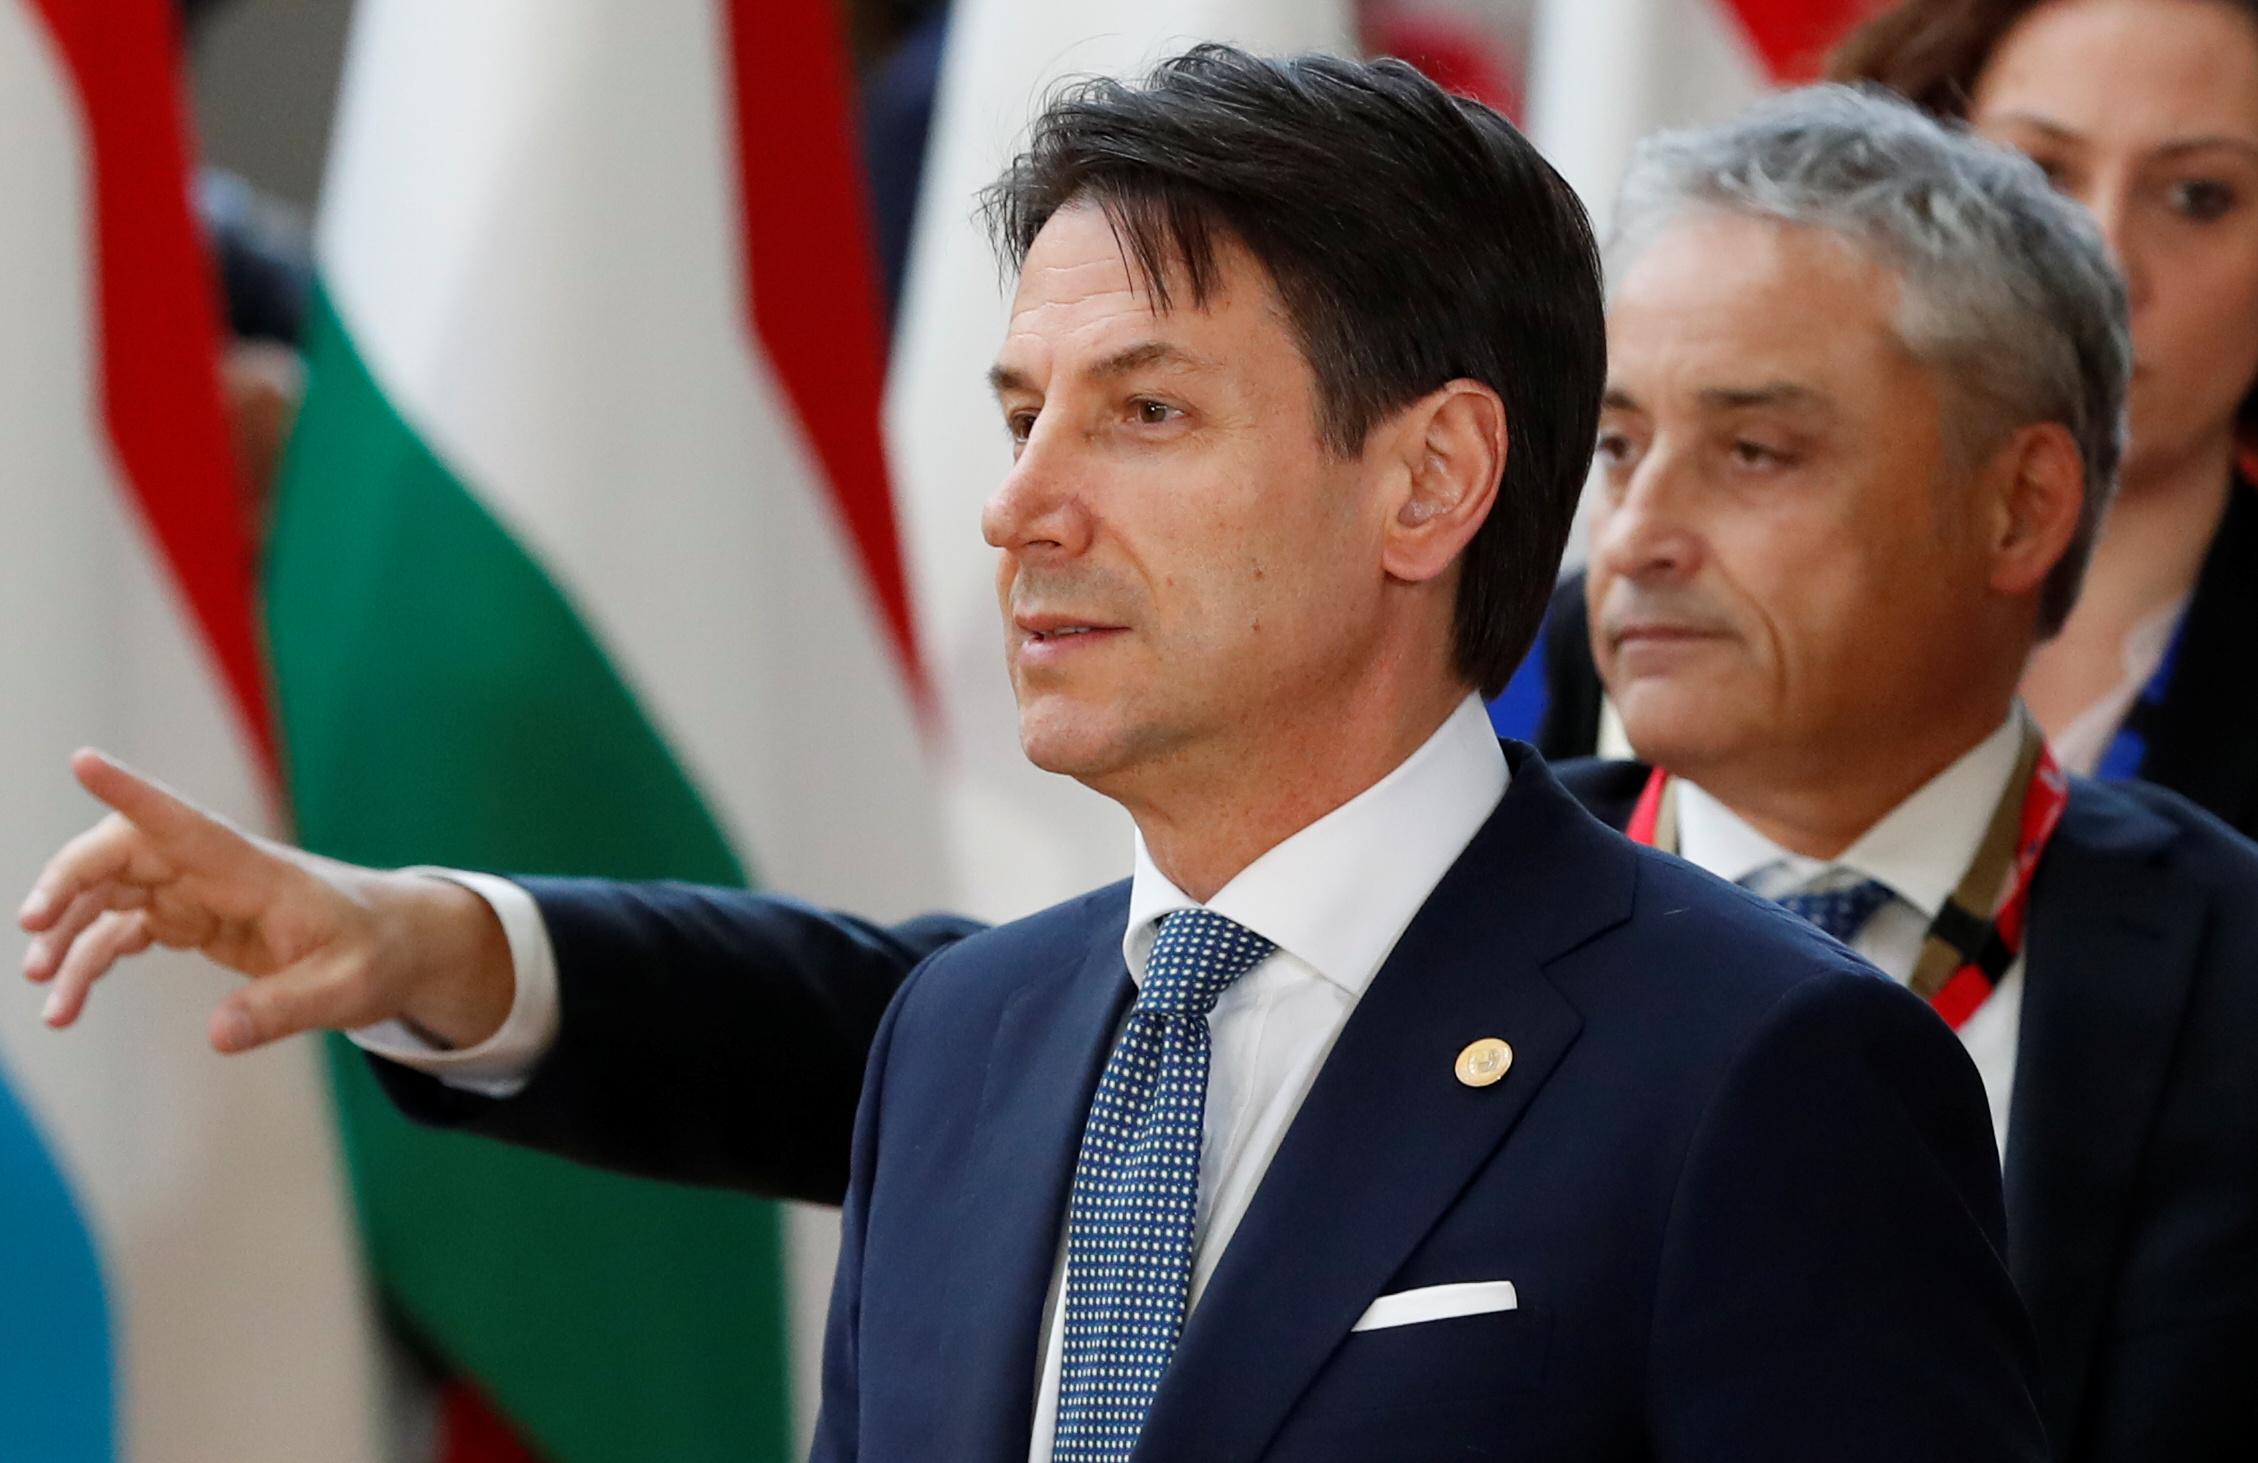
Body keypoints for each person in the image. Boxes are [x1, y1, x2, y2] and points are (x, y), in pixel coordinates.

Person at [19, 50, 2045, 1462]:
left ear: (1429, 476)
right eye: (1018, 412)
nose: (1019, 506)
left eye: (1144, 413)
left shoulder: (1761, 1069)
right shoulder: (965, 1038)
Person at [1562, 85, 2258, 1463]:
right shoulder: (1427, 933)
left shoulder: (2235, 975)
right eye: (1618, 446)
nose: (1635, 535)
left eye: (1752, 451)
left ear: (2020, 506)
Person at [1540, 0, 2258, 844]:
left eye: (2197, 196)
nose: (2101, 256)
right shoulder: (1554, 657)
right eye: (2037, 176)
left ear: (2032, 502)